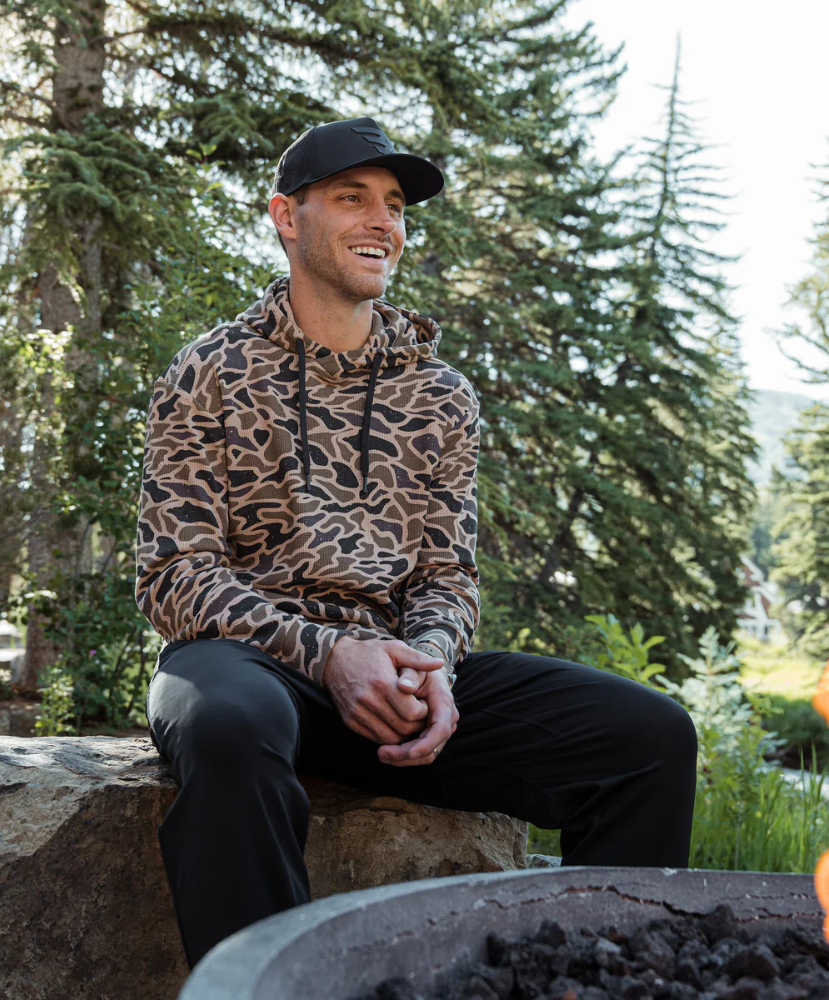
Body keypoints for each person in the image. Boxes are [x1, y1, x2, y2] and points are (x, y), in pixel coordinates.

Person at [135, 115, 698, 970]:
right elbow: (174, 575)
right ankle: (265, 988)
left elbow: (446, 573)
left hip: (394, 681)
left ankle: (598, 982)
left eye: (394, 205)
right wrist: (329, 654)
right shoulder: (208, 369)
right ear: (286, 217)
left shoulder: (439, 393)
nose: (381, 222)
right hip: (251, 665)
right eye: (351, 198)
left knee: (648, 738)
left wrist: (430, 662)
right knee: (229, 725)